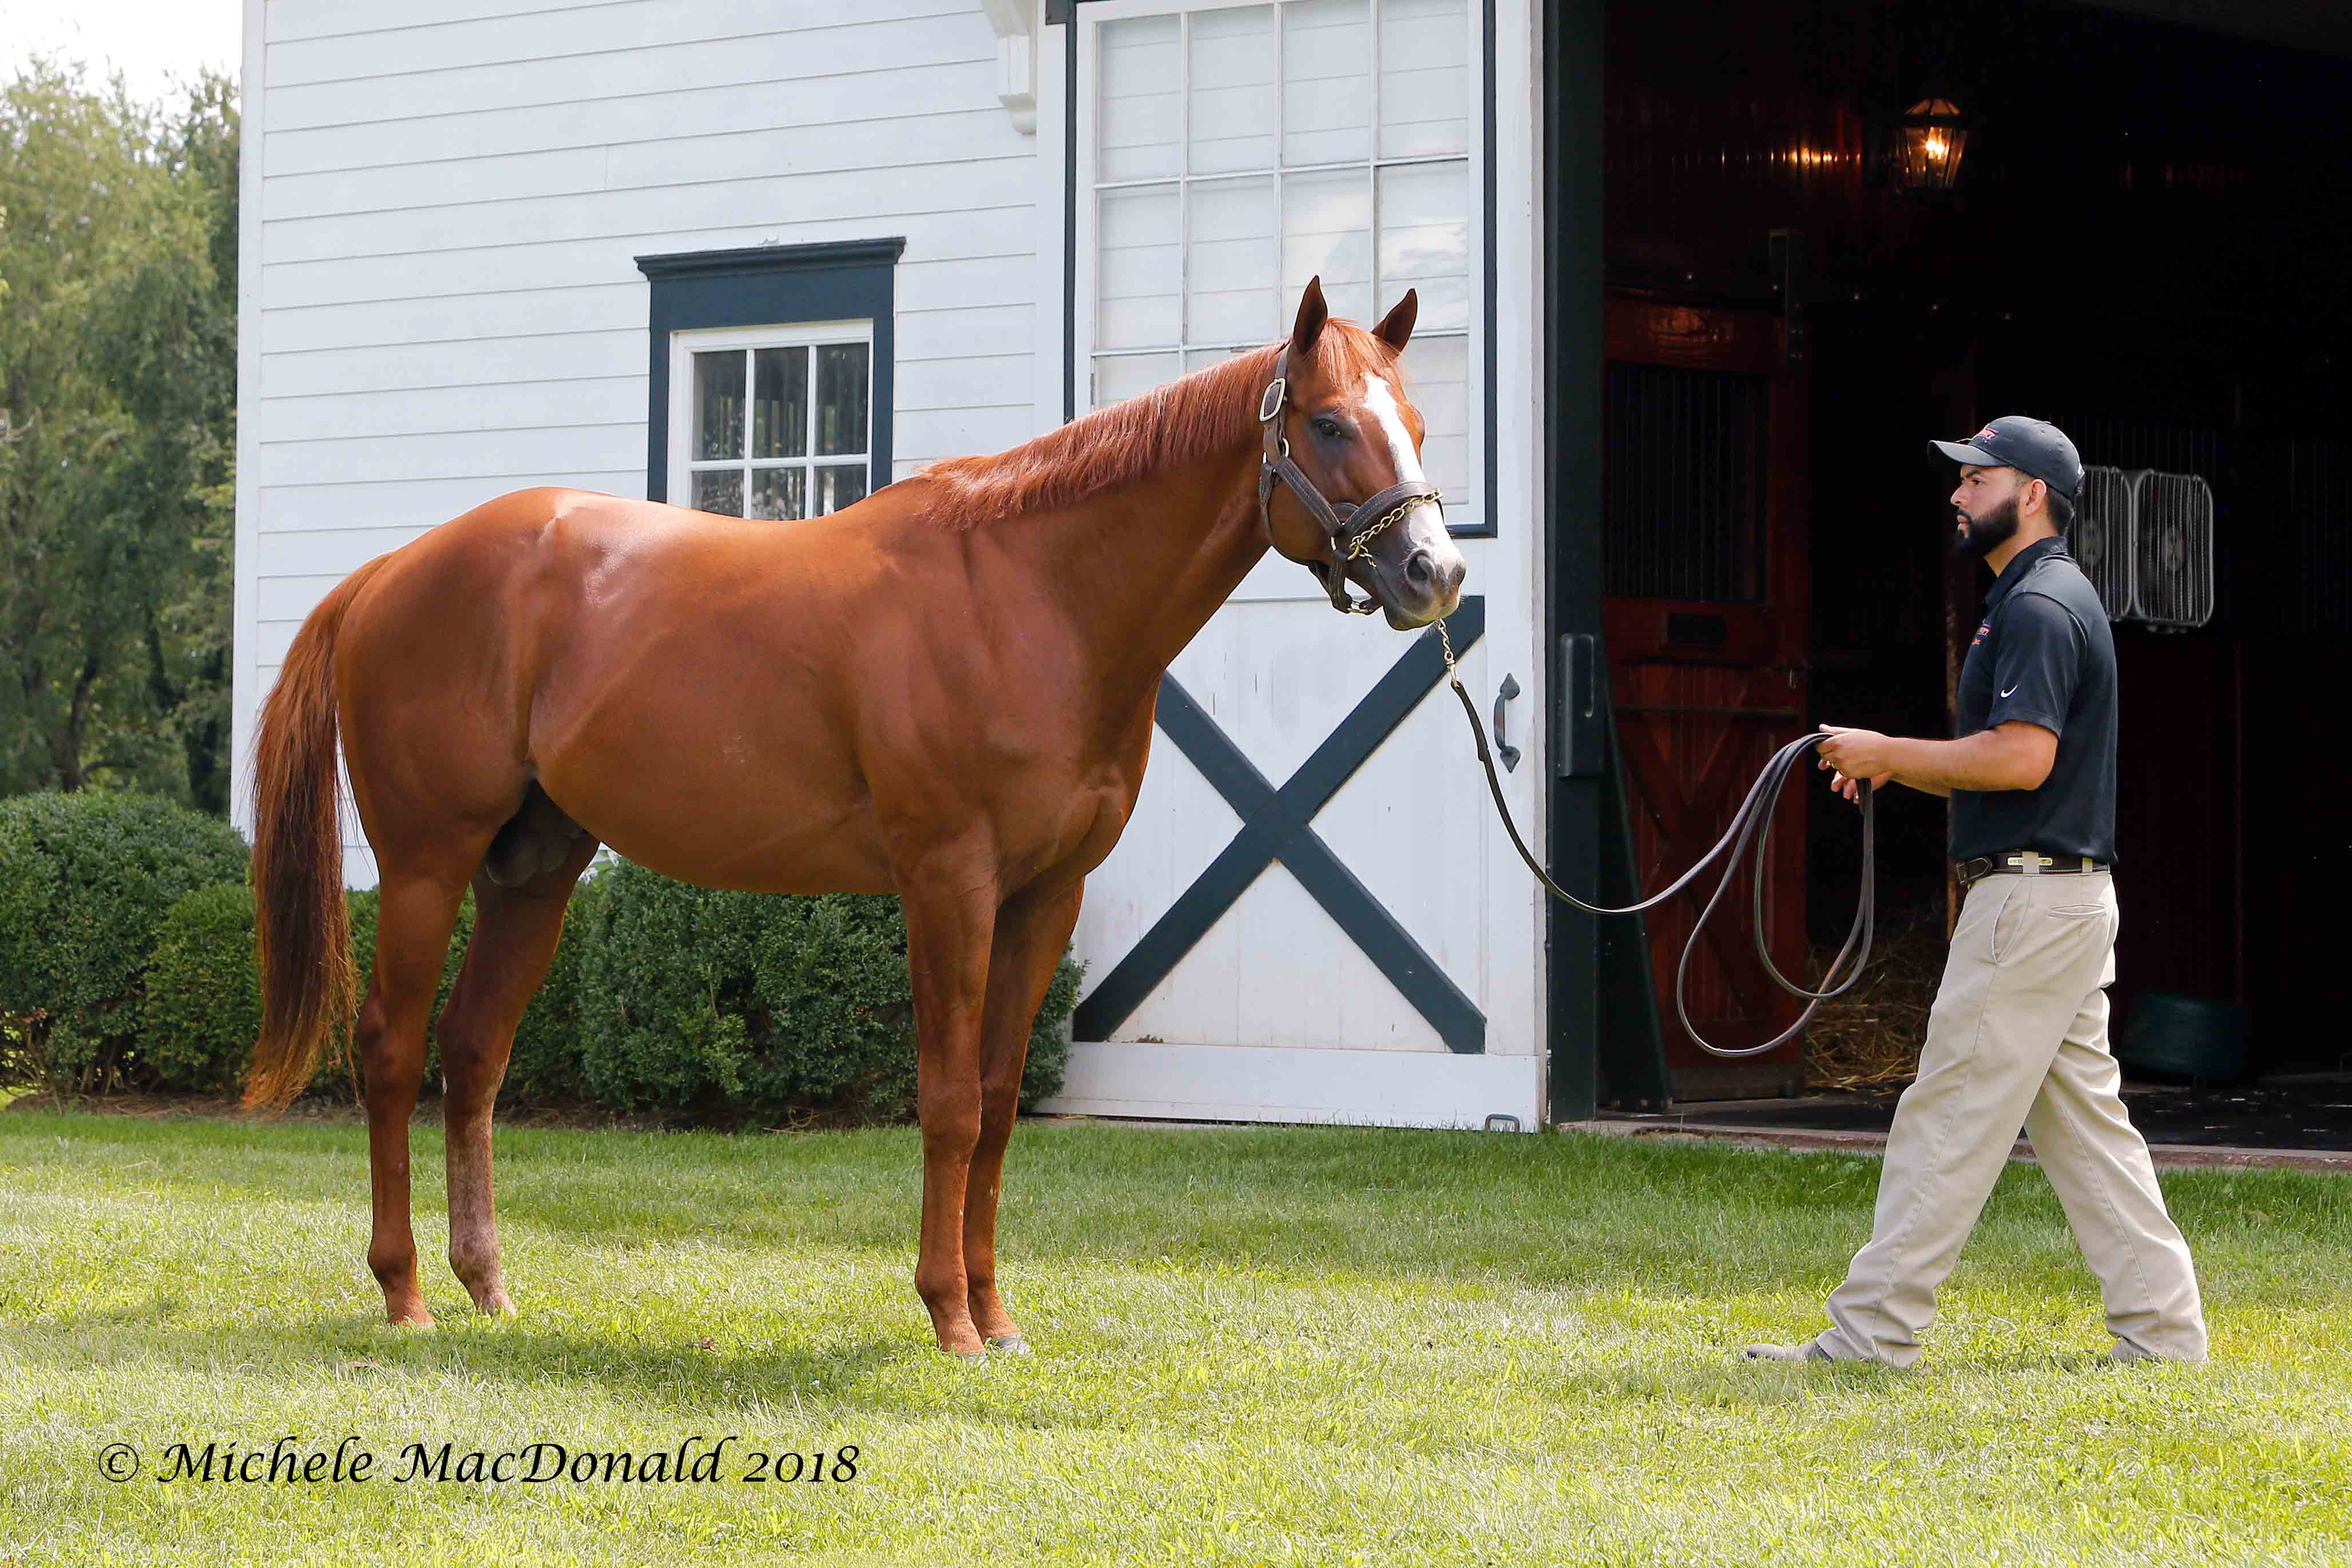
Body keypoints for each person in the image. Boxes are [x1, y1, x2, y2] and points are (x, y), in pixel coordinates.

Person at [1742, 416, 2208, 1368]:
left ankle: (1872, 1335)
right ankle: (2163, 1336)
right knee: (2086, 1129)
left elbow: (2023, 757)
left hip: (2029, 907)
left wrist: (1888, 754)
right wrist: (1892, 767)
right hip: (2067, 902)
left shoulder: (2038, 608)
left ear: (2029, 492)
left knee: (1946, 1115)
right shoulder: (2044, 598)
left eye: (1976, 479)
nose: (1957, 495)